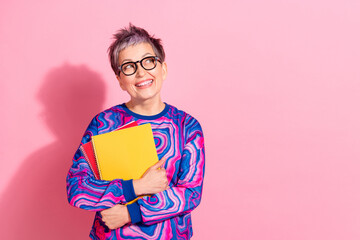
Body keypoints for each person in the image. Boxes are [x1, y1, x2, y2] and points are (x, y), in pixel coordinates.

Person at [66, 24, 205, 239]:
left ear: (163, 69)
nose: (141, 72)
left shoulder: (188, 127)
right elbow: (77, 189)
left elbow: (191, 194)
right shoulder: (104, 124)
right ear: (120, 80)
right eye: (129, 66)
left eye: (149, 61)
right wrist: (135, 187)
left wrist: (130, 213)